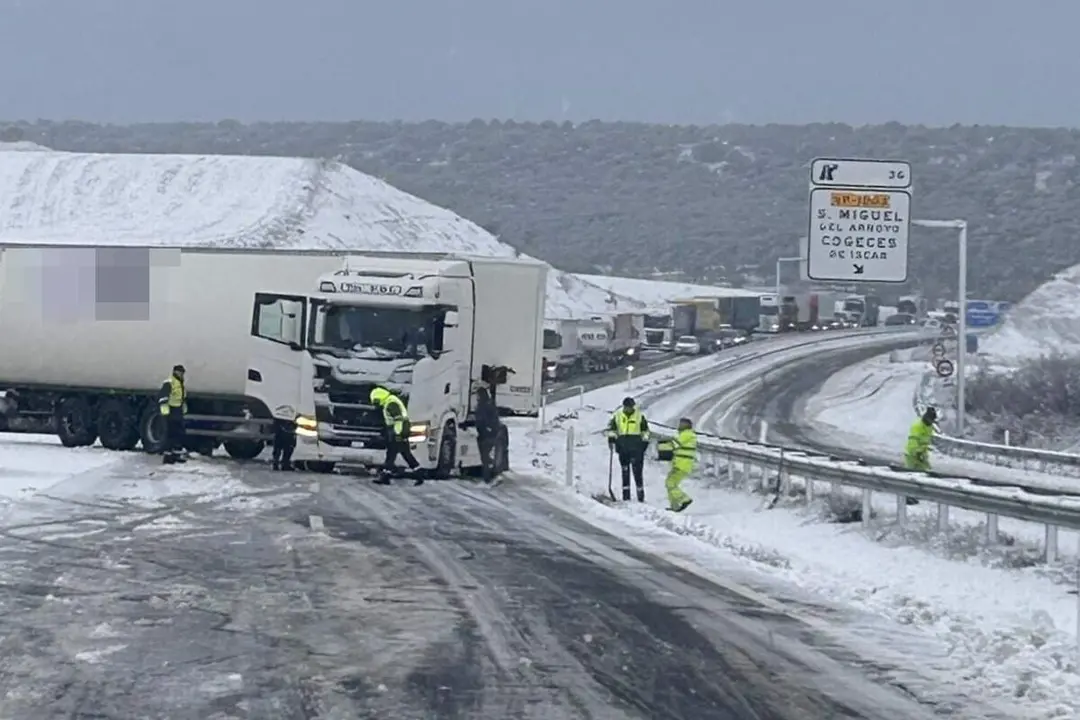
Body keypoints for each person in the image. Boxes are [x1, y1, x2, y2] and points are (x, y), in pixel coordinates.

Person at [369, 386, 422, 485]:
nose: (376, 404)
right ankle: (419, 473)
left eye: (375, 401)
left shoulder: (390, 404)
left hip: (399, 431)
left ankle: (385, 477)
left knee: (391, 454)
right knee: (405, 454)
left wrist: (397, 434)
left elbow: (398, 420)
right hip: (402, 430)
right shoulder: (390, 401)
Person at [606, 396, 650, 501]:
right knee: (625, 471)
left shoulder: (639, 416)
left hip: (636, 448)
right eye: (627, 407)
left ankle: (640, 497)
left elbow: (645, 431)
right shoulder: (617, 416)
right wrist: (612, 438)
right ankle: (626, 496)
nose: (628, 409)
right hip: (623, 447)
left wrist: (644, 443)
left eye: (630, 407)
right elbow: (612, 429)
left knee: (638, 473)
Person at [657, 417, 696, 512]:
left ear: (687, 425)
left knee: (670, 483)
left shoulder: (687, 434)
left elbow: (674, 444)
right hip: (680, 464)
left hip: (682, 465)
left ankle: (684, 499)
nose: (679, 425)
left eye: (682, 424)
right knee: (669, 482)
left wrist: (662, 446)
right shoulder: (686, 434)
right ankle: (674, 505)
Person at [158, 364, 187, 464]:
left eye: (182, 372)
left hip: (177, 410)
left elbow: (181, 398)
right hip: (171, 411)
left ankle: (176, 454)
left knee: (179, 433)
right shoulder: (169, 382)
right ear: (175, 372)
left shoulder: (180, 382)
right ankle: (168, 457)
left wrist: (183, 408)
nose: (181, 374)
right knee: (170, 434)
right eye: (179, 372)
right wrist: (165, 411)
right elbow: (163, 398)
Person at [474, 385, 501, 483]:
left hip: (486, 435)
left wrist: (487, 430)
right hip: (487, 434)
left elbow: (484, 420)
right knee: (486, 457)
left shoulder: (483, 406)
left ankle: (488, 478)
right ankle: (491, 475)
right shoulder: (488, 404)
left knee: (485, 457)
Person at [905, 407, 937, 472]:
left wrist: (924, 453)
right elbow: (912, 441)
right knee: (911, 471)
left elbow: (926, 440)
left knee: (927, 470)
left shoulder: (929, 427)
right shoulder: (917, 426)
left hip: (922, 454)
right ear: (927, 418)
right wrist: (916, 453)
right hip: (912, 454)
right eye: (931, 420)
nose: (932, 422)